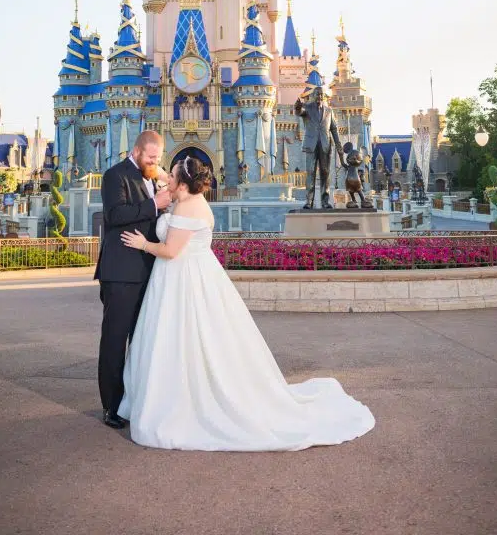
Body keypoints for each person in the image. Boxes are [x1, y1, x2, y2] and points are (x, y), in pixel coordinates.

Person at [119, 155, 375, 451]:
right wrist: (154, 169)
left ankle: (184, 400)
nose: (168, 178)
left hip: (183, 279)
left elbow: (171, 250)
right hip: (187, 278)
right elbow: (167, 181)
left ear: (184, 183)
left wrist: (143, 244)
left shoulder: (188, 207)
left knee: (185, 338)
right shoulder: (190, 199)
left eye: (173, 175)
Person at [93, 130, 172, 428]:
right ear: (137, 151)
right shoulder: (115, 175)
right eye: (150, 156)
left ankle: (134, 401)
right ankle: (111, 406)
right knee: (115, 340)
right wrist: (155, 204)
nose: (154, 162)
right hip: (121, 274)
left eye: (157, 158)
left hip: (148, 271)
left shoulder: (152, 177)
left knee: (141, 341)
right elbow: (115, 215)